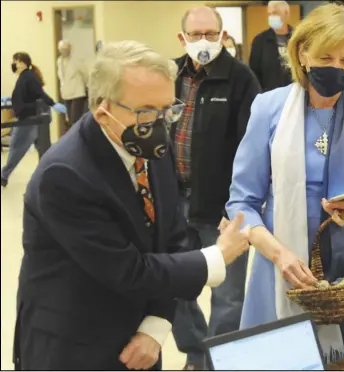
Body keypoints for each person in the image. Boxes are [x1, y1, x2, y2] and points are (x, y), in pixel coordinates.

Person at [14, 40, 250, 371]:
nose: (160, 124)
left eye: (169, 110)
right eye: (146, 112)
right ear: (102, 109)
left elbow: (172, 239)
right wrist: (216, 256)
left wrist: (156, 324)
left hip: (140, 339)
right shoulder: (65, 175)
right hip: (75, 345)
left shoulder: (149, 142)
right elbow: (129, 270)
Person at [224, 3, 344, 364]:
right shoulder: (268, 108)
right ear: (303, 54)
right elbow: (242, 202)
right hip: (282, 260)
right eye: (326, 57)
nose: (336, 68)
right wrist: (280, 255)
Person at [169, 6, 261, 370]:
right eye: (196, 35)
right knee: (173, 287)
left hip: (222, 207)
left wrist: (240, 204)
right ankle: (196, 354)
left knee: (228, 297)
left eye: (211, 33)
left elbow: (252, 148)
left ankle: (220, 363)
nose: (204, 41)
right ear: (183, 38)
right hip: (174, 202)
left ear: (223, 36)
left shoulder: (241, 79)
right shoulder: (170, 74)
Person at [1, 52, 67, 188]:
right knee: (41, 148)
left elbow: (40, 94)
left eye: (15, 61)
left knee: (17, 147)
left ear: (21, 62)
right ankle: (49, 174)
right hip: (30, 116)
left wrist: (53, 104)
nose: (14, 64)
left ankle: (3, 176)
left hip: (30, 117)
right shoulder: (25, 77)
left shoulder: (28, 77)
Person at [249, 0, 293, 92]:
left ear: (286, 14)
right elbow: (253, 73)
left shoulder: (298, 38)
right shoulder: (260, 41)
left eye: (275, 13)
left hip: (294, 95)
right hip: (269, 96)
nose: (272, 17)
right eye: (269, 14)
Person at [57, 40, 89, 129]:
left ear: (70, 48)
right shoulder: (59, 61)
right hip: (66, 94)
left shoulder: (76, 60)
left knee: (75, 119)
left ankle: (77, 137)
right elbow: (61, 77)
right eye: (61, 49)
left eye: (65, 48)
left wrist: (87, 86)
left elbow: (85, 74)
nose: (63, 51)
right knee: (69, 120)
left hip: (77, 93)